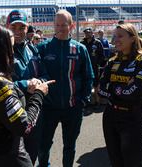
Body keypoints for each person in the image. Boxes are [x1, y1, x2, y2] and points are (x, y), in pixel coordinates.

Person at [0, 23, 54, 167]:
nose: (12, 54)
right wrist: (39, 94)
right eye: (9, 48)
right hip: (8, 157)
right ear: (0, 51)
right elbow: (24, 126)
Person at [37, 10, 94, 167]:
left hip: (73, 108)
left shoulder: (80, 49)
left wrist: (83, 100)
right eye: (57, 25)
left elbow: (89, 76)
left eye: (64, 25)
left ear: (72, 26)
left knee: (69, 146)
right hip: (48, 108)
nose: (60, 28)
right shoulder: (43, 48)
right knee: (43, 145)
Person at [98, 23, 142, 167]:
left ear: (132, 38)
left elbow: (134, 92)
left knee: (132, 162)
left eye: (120, 36)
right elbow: (100, 89)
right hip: (110, 115)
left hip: (132, 117)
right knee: (115, 161)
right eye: (115, 36)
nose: (116, 39)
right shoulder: (112, 61)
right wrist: (121, 89)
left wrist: (113, 89)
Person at [6, 9, 48, 165]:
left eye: (21, 27)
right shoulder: (2, 52)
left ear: (27, 28)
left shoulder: (32, 49)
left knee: (32, 152)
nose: (18, 31)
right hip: (13, 112)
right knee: (16, 157)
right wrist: (25, 84)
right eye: (13, 27)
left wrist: (39, 82)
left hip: (35, 108)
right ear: (7, 27)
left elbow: (45, 74)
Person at [80, 27, 104, 107]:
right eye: (86, 32)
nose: (87, 34)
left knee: (96, 85)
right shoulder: (82, 43)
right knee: (85, 84)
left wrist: (98, 63)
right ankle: (86, 101)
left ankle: (97, 102)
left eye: (88, 32)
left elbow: (102, 55)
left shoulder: (97, 42)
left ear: (92, 33)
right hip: (84, 67)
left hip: (94, 67)